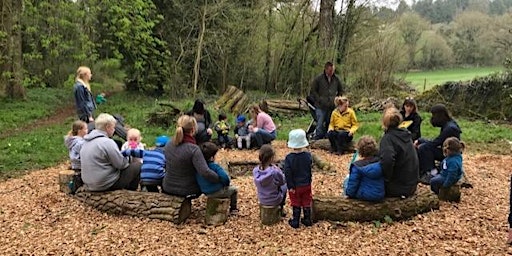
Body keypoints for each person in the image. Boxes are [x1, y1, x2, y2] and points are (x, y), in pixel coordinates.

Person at [162, 115, 219, 198]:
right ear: (193, 130)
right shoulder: (193, 149)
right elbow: (205, 172)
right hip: (187, 189)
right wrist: (219, 178)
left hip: (167, 187)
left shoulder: (168, 144)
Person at [80, 113, 141, 192]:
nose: (114, 130)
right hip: (104, 183)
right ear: (107, 127)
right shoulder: (107, 142)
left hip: (89, 184)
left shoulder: (86, 141)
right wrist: (127, 155)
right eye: (113, 127)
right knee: (138, 166)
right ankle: (131, 191)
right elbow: (121, 165)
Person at [415, 104, 462, 184]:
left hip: (450, 153)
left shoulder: (449, 128)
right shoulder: (449, 124)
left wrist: (420, 140)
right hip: (449, 150)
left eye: (433, 115)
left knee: (424, 148)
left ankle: (431, 173)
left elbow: (435, 143)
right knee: (426, 146)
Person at [379, 107, 419, 198]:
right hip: (412, 185)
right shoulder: (406, 135)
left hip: (398, 187)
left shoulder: (388, 139)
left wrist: (386, 178)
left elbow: (387, 160)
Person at [198, 142, 239, 214]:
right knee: (234, 190)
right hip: (216, 191)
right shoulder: (215, 166)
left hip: (205, 191)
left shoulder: (199, 167)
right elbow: (225, 178)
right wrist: (226, 185)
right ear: (212, 157)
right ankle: (233, 209)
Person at [284, 129, 313, 228]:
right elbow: (309, 170)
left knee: (296, 202)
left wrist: (290, 186)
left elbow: (288, 173)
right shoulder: (308, 156)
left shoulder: (289, 158)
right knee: (306, 201)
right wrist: (309, 181)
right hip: (306, 184)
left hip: (295, 186)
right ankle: (307, 219)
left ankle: (295, 221)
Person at [309, 61, 344, 140]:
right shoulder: (318, 79)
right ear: (326, 69)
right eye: (330, 70)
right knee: (320, 122)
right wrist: (319, 99)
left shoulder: (336, 79)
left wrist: (338, 99)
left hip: (332, 105)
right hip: (320, 105)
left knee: (331, 122)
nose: (332, 72)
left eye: (333, 70)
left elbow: (340, 90)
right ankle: (317, 138)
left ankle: (329, 137)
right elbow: (313, 91)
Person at [344, 135, 385, 202]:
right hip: (380, 194)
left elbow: (352, 186)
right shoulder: (381, 162)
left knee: (347, 180)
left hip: (365, 195)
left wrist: (349, 194)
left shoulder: (358, 166)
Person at [253, 144, 287, 217]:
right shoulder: (275, 171)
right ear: (272, 158)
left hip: (262, 199)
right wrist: (279, 170)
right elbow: (282, 181)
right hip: (274, 199)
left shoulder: (255, 170)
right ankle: (281, 208)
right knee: (284, 186)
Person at [64, 120, 88, 193]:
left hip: (75, 165)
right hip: (80, 166)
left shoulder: (73, 140)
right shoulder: (80, 143)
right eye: (86, 129)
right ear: (79, 131)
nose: (87, 131)